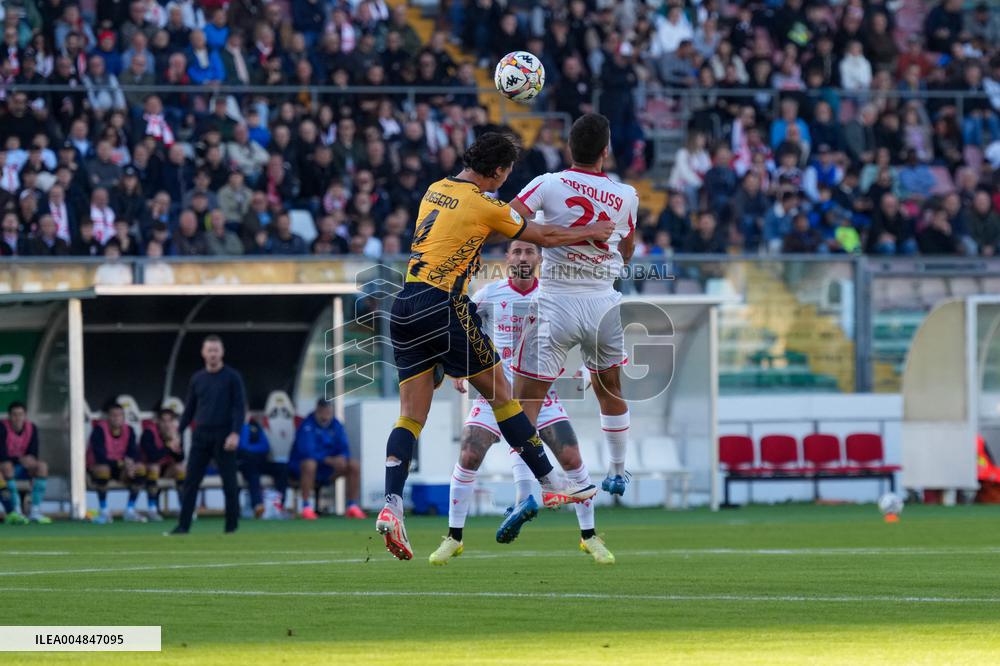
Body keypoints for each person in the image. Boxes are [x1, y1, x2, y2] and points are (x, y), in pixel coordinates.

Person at [375, 132, 611, 561]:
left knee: (410, 417)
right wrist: (593, 229)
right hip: (443, 304)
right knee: (504, 395)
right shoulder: (486, 204)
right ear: (499, 171)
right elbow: (545, 236)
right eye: (505, 173)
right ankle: (549, 483)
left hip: (404, 304)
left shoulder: (437, 188)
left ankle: (391, 504)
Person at [430, 241, 614, 566]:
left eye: (529, 252)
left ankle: (589, 537)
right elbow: (461, 329)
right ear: (507, 259)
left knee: (571, 457)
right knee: (470, 453)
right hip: (496, 392)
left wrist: (587, 369)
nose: (523, 257)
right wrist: (459, 368)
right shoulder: (490, 295)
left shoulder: (557, 298)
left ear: (540, 258)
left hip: (540, 394)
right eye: (517, 252)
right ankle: (454, 538)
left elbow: (590, 336)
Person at [509, 113, 637, 503]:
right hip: (602, 300)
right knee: (609, 388)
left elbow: (511, 217)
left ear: (568, 147)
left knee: (526, 402)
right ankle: (616, 471)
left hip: (555, 299)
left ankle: (527, 492)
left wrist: (548, 235)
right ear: (606, 151)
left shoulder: (547, 184)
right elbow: (627, 247)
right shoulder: (627, 195)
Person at [170, 335, 246, 535]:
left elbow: (239, 408)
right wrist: (178, 433)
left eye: (216, 350)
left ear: (222, 352)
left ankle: (231, 526)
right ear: (203, 353)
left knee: (229, 482)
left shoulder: (232, 377)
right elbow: (189, 409)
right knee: (191, 481)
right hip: (201, 434)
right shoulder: (197, 378)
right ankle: (183, 525)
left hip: (224, 435)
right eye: (209, 350)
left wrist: (235, 433)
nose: (213, 354)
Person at [289, 399, 364, 520]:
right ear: (317, 411)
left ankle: (352, 506)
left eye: (328, 412)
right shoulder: (307, 425)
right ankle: (306, 507)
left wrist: (342, 458)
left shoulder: (336, 425)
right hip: (303, 469)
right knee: (309, 464)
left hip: (329, 470)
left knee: (353, 465)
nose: (325, 416)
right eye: (323, 412)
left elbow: (344, 447)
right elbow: (307, 451)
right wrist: (328, 459)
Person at [87, 403, 146, 524]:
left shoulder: (129, 430)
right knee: (103, 470)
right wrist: (122, 464)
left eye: (119, 415)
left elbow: (134, 452)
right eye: (113, 415)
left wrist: (130, 464)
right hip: (99, 467)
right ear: (108, 417)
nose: (116, 418)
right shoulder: (99, 430)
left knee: (139, 469)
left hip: (122, 469)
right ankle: (104, 510)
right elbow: (100, 457)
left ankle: (130, 510)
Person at [0, 402, 51, 524]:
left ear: (25, 416)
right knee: (7, 466)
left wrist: (29, 459)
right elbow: (2, 454)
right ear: (9, 416)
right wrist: (18, 459)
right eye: (14, 415)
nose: (17, 418)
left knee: (42, 466)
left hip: (22, 468)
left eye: (20, 414)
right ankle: (16, 511)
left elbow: (33, 452)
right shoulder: (2, 427)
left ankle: (35, 511)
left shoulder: (32, 428)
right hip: (5, 469)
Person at [139, 407, 186, 522]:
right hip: (146, 469)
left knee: (180, 468)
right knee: (154, 467)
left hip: (165, 469)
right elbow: (152, 457)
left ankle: (184, 508)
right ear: (157, 421)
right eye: (163, 421)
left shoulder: (176, 433)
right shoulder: (149, 432)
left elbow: (180, 458)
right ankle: (152, 508)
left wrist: (175, 446)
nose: (167, 424)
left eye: (169, 420)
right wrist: (168, 445)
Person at [237, 417, 288, 519]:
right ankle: (258, 506)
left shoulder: (256, 427)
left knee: (282, 468)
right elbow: (242, 446)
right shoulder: (235, 426)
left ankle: (279, 505)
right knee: (253, 474)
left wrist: (251, 450)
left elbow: (265, 446)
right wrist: (245, 426)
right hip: (243, 463)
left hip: (260, 460)